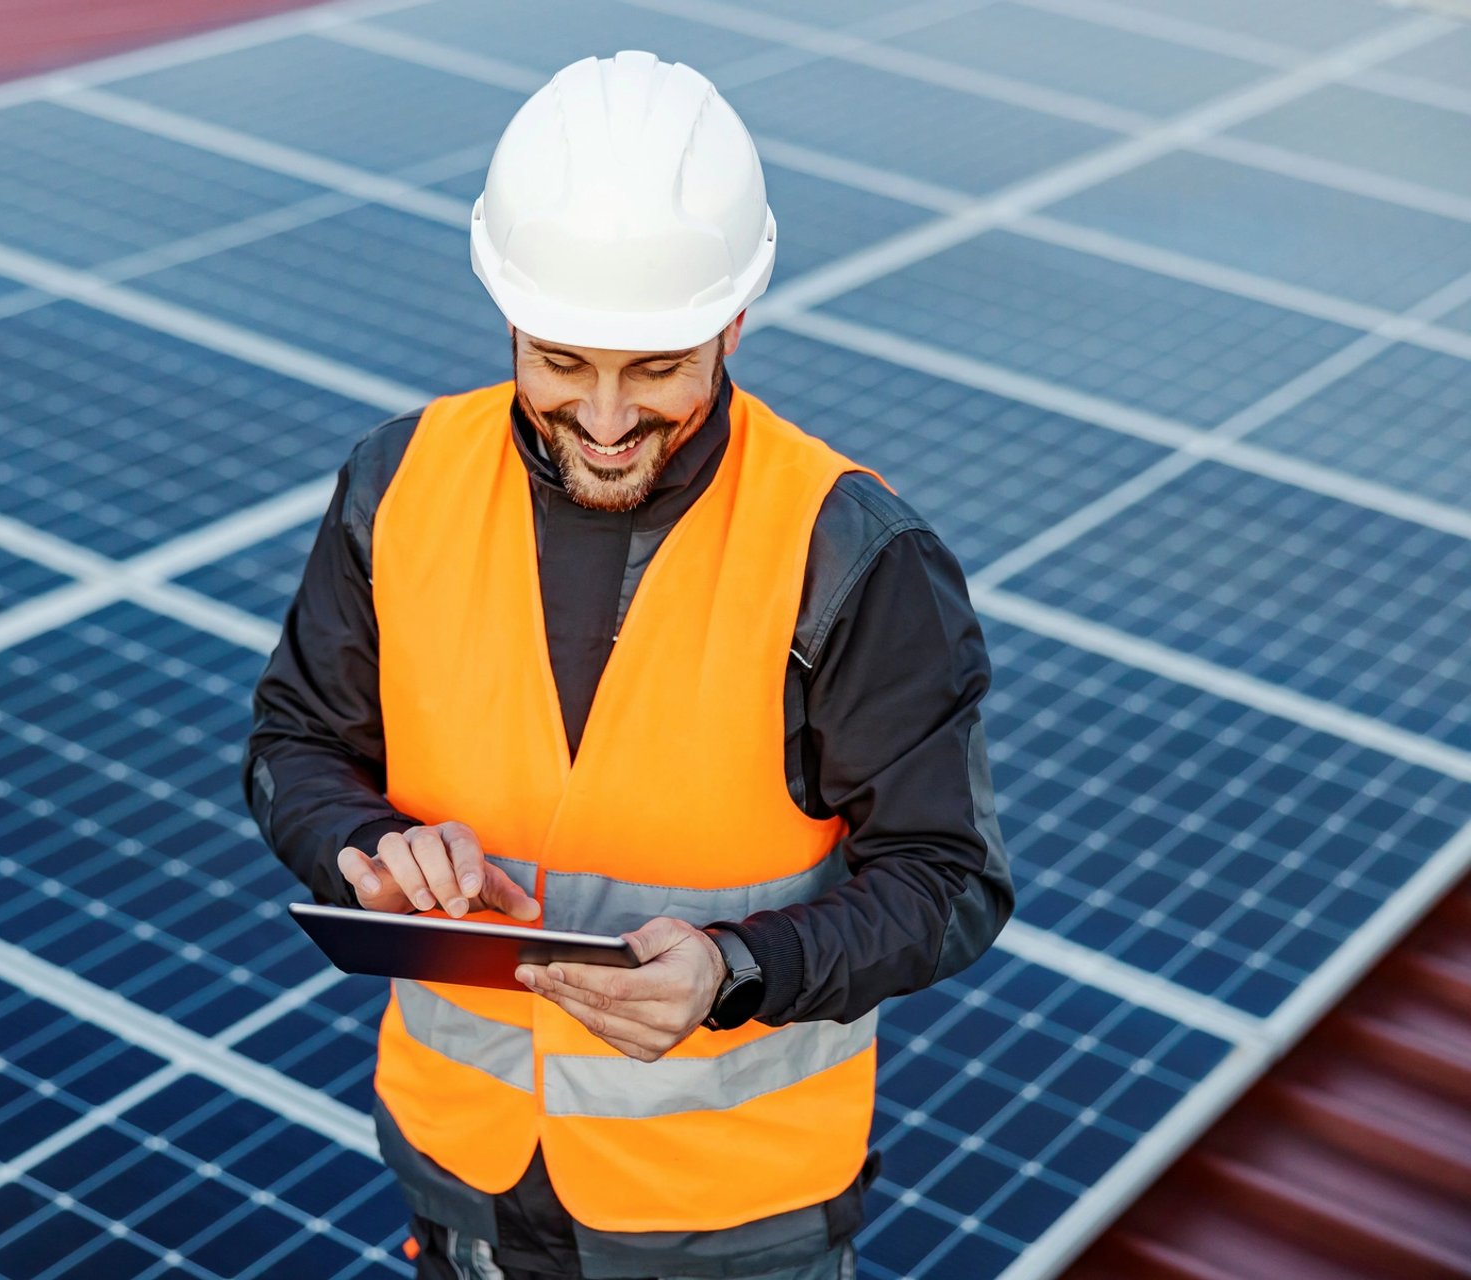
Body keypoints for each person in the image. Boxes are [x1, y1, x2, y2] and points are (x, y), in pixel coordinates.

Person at [244, 49, 1013, 1280]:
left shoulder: (851, 553)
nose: (605, 417)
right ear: (509, 318)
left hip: (730, 1224)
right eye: (561, 361)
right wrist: (364, 849)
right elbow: (296, 745)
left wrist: (735, 969)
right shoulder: (398, 487)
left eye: (655, 367)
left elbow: (947, 876)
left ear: (733, 322)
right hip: (460, 1175)